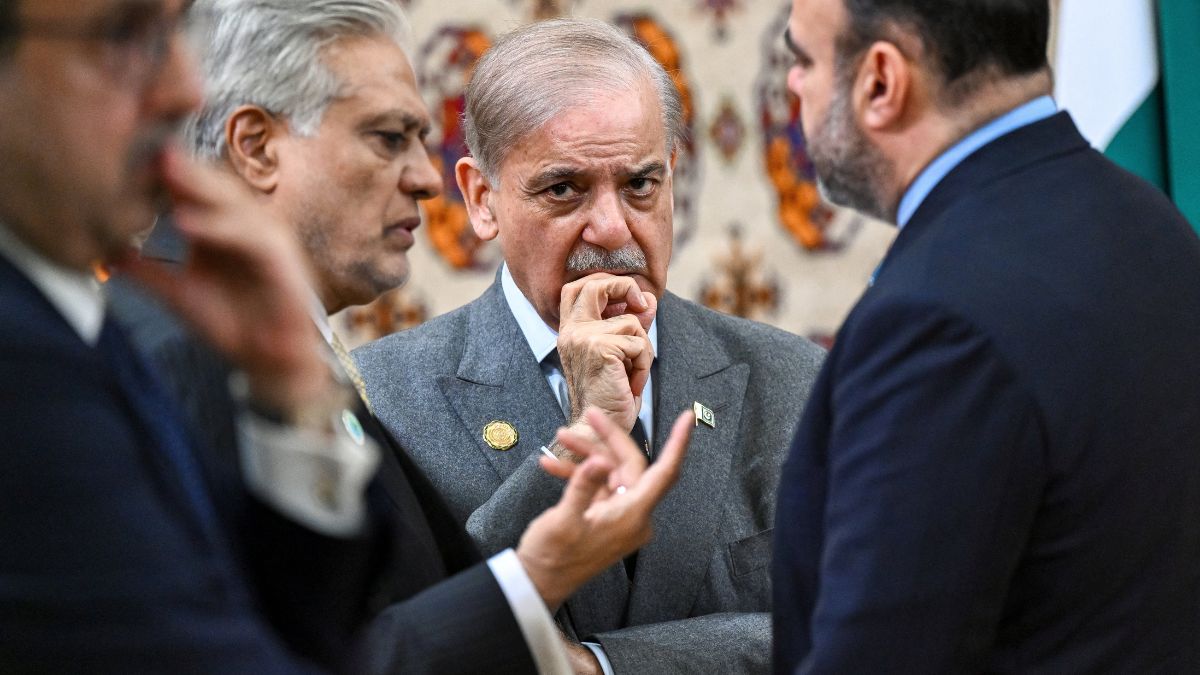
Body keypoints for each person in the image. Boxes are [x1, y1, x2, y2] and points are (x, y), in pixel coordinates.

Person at [0, 0, 689, 671]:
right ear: (257, 147)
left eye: (641, 184)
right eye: (389, 138)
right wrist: (535, 577)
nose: (425, 178)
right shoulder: (169, 348)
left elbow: (319, 614)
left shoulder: (271, 353)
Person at [354, 18, 826, 674]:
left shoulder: (798, 378)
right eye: (564, 189)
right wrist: (585, 433)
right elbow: (411, 640)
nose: (610, 229)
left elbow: (855, 626)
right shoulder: (385, 398)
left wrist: (602, 665)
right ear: (481, 198)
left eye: (639, 185)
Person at [771, 0, 1200, 672]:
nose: (793, 84)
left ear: (881, 81)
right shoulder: (1156, 225)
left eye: (803, 59)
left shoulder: (935, 319)